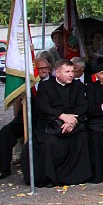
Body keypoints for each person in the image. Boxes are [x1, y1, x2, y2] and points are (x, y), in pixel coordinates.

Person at [33, 59, 91, 187]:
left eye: (72, 71)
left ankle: (78, 175)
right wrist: (62, 116)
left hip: (73, 123)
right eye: (67, 71)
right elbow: (42, 106)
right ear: (57, 73)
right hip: (52, 123)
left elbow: (83, 105)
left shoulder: (78, 85)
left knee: (82, 138)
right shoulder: (46, 86)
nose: (71, 74)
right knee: (49, 142)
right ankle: (51, 178)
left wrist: (71, 122)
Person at [0, 56, 50, 181]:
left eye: (46, 68)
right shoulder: (26, 84)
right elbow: (18, 104)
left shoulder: (53, 82)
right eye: (40, 68)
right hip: (25, 117)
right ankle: (4, 169)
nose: (44, 71)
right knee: (5, 133)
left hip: (44, 119)